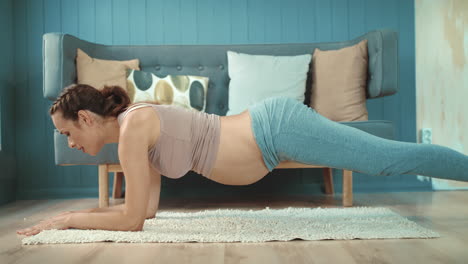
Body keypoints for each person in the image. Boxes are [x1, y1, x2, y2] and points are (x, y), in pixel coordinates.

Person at [17, 84, 468, 237]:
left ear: (85, 119)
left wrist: (68, 219)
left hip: (274, 129)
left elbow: (131, 219)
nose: (69, 143)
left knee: (388, 161)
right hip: (269, 137)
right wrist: (83, 217)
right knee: (388, 159)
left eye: (67, 133)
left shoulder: (134, 128)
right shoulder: (134, 132)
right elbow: (145, 213)